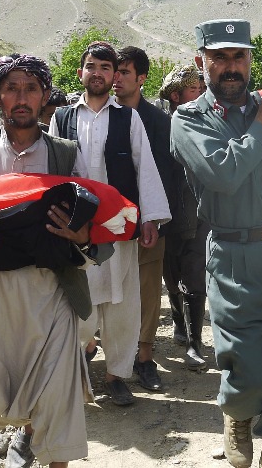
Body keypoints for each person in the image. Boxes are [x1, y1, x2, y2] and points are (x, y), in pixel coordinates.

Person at [170, 19, 262, 468]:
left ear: (251, 60)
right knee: (247, 363)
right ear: (203, 62)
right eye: (219, 58)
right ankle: (237, 415)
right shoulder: (189, 119)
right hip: (235, 255)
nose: (230, 67)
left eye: (239, 56)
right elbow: (223, 175)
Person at [0, 54, 95, 468]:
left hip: (54, 291)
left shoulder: (67, 156)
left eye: (31, 88)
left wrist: (79, 234)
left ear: (45, 96)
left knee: (58, 397)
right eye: (12, 88)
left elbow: (93, 227)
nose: (21, 98)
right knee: (6, 390)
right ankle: (25, 432)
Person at [51, 41, 171, 407]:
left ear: (114, 75)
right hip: (77, 229)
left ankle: (117, 375)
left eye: (106, 67)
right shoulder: (63, 118)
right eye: (92, 66)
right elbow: (55, 172)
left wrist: (150, 217)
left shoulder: (128, 118)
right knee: (78, 300)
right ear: (80, 72)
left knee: (122, 302)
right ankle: (78, 367)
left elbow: (144, 168)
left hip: (119, 225)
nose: (99, 73)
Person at [111, 45, 175, 390]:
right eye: (114, 71)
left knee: (148, 290)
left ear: (142, 78)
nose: (116, 79)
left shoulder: (159, 122)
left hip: (149, 222)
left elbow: (165, 175)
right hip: (107, 224)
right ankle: (109, 356)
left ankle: (144, 357)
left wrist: (158, 219)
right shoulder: (98, 116)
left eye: (124, 72)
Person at [158, 63, 211, 371]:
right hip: (167, 216)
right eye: (195, 90)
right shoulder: (161, 126)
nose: (201, 94)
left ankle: (195, 343)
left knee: (195, 278)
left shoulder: (208, 124)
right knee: (170, 274)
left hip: (200, 214)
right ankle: (178, 318)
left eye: (202, 89)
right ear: (176, 95)